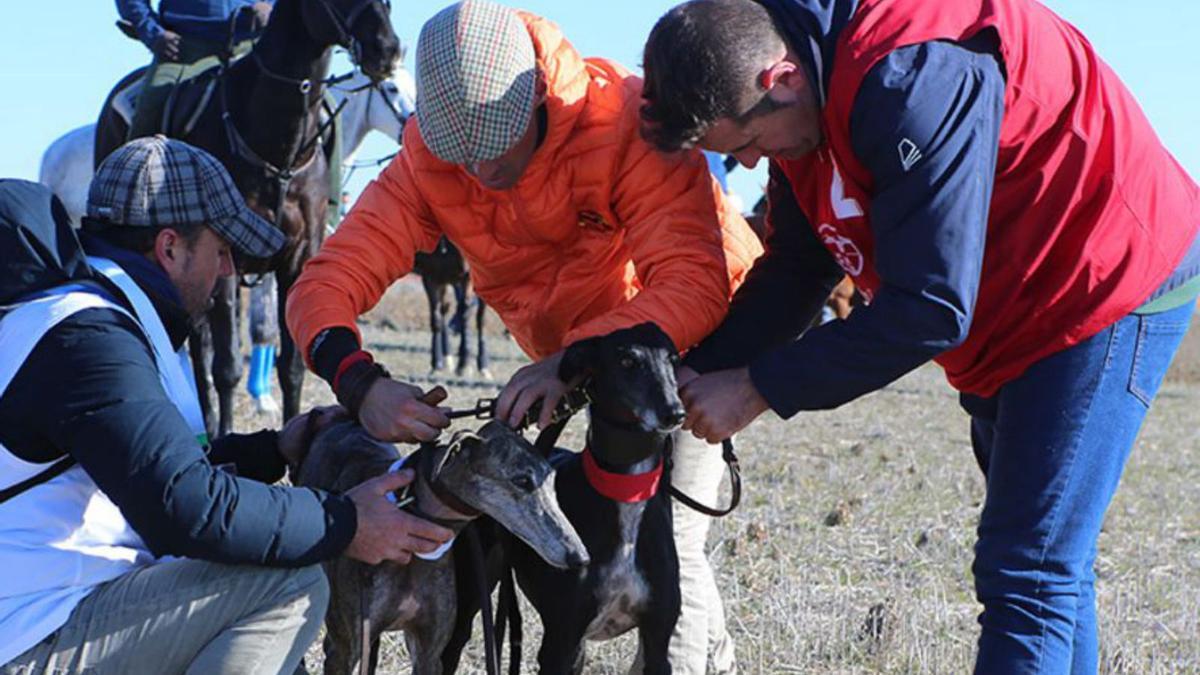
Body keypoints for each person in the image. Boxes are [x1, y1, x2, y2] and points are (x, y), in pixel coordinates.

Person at [638, 1, 1200, 673]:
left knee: (1028, 569)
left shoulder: (908, 75)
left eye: (744, 146)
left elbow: (929, 306)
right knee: (1045, 568)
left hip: (1102, 272)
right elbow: (799, 265)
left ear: (780, 78)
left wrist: (758, 386)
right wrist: (696, 372)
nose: (754, 165)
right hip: (1011, 303)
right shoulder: (799, 90)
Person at [286, 2, 762, 671]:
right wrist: (359, 382)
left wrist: (569, 362)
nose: (478, 169)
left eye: (495, 143)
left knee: (669, 545)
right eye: (462, 151)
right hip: (576, 365)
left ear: (538, 92)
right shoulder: (430, 160)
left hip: (681, 352)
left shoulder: (621, 121)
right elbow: (325, 280)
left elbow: (693, 278)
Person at [0, 137, 451, 674]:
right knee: (287, 582)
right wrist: (347, 521)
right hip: (31, 639)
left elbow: (147, 466)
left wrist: (276, 447)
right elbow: (184, 507)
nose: (229, 272)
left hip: (50, 613)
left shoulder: (98, 313)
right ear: (170, 247)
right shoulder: (92, 338)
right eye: (222, 250)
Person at [117, 0, 274, 139]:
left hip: (253, 45)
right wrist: (154, 34)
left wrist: (271, 6)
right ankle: (135, 168)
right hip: (184, 50)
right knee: (151, 108)